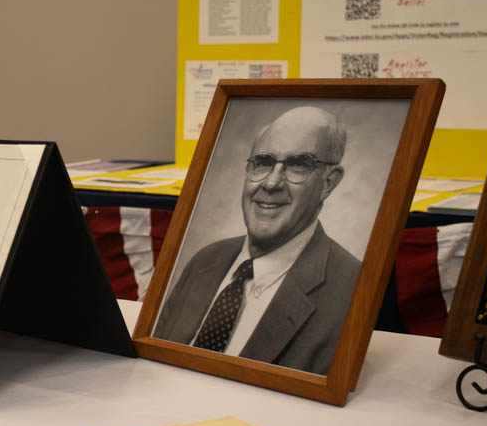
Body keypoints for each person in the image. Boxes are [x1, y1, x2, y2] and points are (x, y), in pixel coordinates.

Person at [154, 106, 361, 376]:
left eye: (298, 164)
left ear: (329, 183)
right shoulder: (205, 261)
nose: (272, 183)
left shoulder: (354, 291)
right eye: (263, 162)